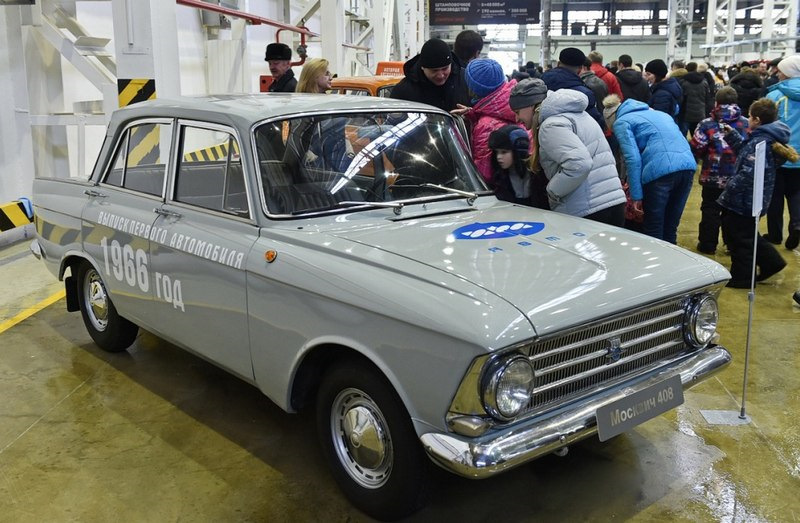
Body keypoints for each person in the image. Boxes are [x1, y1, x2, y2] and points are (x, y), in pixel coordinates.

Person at [717, 98, 797, 287]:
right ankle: (771, 262)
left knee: (740, 238)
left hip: (744, 200)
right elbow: (747, 154)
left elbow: (748, 173)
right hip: (753, 198)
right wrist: (733, 135)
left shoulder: (760, 142)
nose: (748, 119)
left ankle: (743, 277)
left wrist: (728, 189)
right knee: (747, 234)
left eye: (750, 117)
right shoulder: (764, 138)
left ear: (757, 120)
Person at [602, 94, 697, 243]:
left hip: (658, 173)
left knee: (654, 227)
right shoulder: (659, 113)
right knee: (670, 226)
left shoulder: (622, 122)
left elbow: (632, 159)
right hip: (688, 166)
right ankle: (673, 263)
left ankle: (657, 265)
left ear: (611, 120)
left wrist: (636, 196)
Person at [535, 89, 626, 225]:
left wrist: (553, 191)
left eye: (518, 112)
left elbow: (579, 165)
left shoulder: (551, 125)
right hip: (613, 199)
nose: (517, 118)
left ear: (531, 106)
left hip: (587, 208)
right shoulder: (582, 116)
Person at [690, 86, 749, 254]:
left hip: (712, 176)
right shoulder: (746, 123)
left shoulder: (706, 124)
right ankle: (732, 245)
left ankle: (707, 244)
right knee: (732, 212)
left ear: (717, 102)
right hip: (737, 177)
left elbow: (697, 147)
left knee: (710, 209)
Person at [463, 58, 529, 181]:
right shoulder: (517, 105)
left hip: (499, 193)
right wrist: (472, 114)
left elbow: (484, 173)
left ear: (474, 89)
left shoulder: (486, 126)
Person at [765, 55, 800, 249]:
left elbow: (765, 122)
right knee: (796, 192)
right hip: (799, 155)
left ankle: (775, 234)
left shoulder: (775, 96)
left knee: (775, 195)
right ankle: (797, 224)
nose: (777, 73)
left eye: (780, 70)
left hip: (778, 151)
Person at [390, 38, 470, 112]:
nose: (441, 75)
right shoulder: (403, 91)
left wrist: (470, 113)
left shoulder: (467, 81)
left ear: (451, 64)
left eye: (445, 69)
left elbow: (481, 111)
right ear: (422, 67)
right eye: (434, 71)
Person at [541, 47, 606, 130]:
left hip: (544, 135)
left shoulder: (542, 84)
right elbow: (597, 123)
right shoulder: (584, 94)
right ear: (580, 68)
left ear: (558, 63)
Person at [487, 124, 542, 207]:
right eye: (497, 152)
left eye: (504, 152)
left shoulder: (537, 173)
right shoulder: (498, 180)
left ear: (518, 152)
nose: (499, 157)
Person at [645, 59, 683, 126]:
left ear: (658, 74)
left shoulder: (662, 93)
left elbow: (659, 117)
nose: (647, 78)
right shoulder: (671, 85)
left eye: (649, 74)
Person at [680, 62, 714, 135]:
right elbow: (707, 98)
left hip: (686, 114)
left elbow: (681, 99)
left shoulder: (683, 82)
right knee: (698, 135)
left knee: (683, 135)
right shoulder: (704, 82)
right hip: (700, 113)